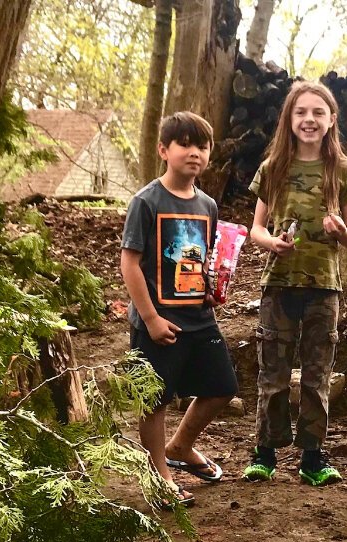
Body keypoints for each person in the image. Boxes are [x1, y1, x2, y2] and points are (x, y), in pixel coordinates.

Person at [241, 81, 347, 486]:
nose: (309, 119)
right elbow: (255, 229)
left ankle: (313, 456)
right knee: (272, 372)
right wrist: (272, 243)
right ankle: (265, 452)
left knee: (317, 373)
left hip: (324, 288)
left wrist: (340, 229)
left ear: (331, 120)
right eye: (301, 113)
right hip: (278, 284)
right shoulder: (273, 168)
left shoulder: (343, 170)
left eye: (318, 113)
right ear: (289, 119)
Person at [120, 112, 238, 507]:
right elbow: (130, 263)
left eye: (202, 146)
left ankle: (181, 445)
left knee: (223, 387)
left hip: (199, 318)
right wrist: (151, 318)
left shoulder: (207, 204)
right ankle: (159, 476)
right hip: (156, 321)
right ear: (163, 150)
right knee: (155, 399)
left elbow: (203, 257)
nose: (194, 153)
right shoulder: (146, 201)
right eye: (185, 144)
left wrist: (211, 288)